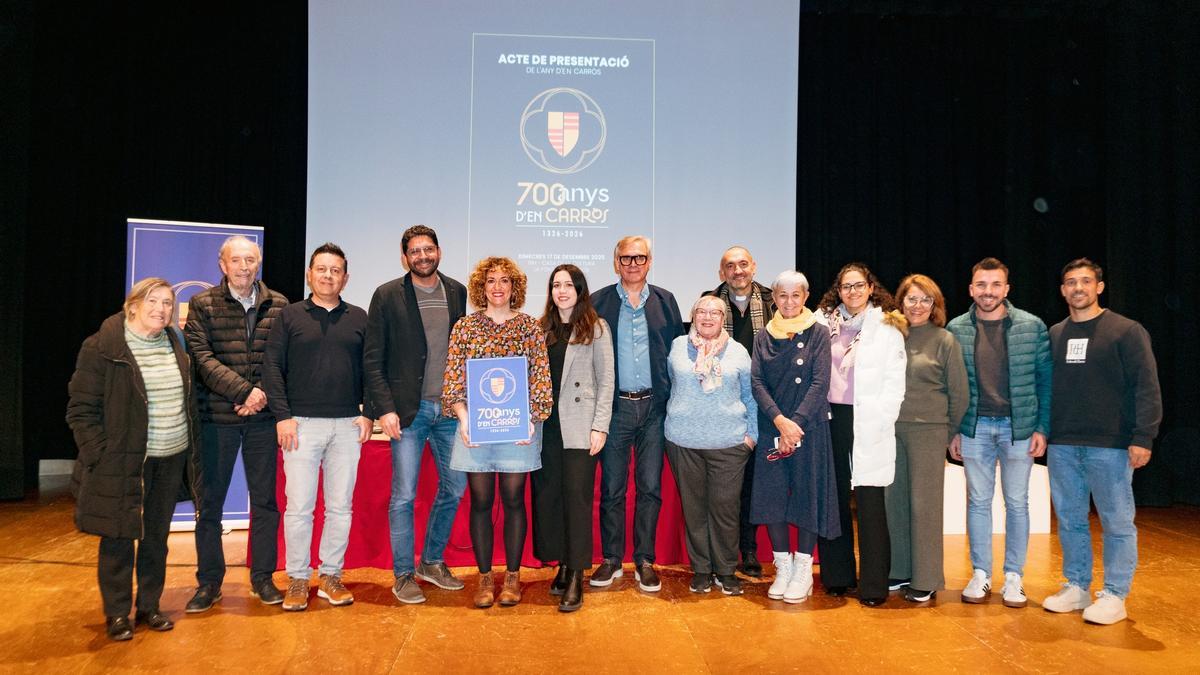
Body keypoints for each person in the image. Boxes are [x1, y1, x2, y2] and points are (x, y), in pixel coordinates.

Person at [66, 278, 201, 641]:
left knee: (156, 537)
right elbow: (80, 410)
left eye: (168, 303)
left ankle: (149, 606)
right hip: (123, 461)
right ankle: (117, 613)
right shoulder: (103, 347)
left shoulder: (174, 343)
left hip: (169, 457)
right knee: (118, 538)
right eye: (153, 301)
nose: (161, 309)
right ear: (133, 305)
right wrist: (101, 453)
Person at [1042, 258, 1161, 625]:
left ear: (1099, 287)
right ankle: (1077, 586)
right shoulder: (1055, 333)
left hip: (1110, 446)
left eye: (1086, 281)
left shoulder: (1126, 331)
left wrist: (1143, 436)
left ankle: (1114, 594)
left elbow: (1146, 386)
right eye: (1071, 282)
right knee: (1070, 519)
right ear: (1062, 290)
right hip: (1063, 445)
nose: (1078, 288)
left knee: (1117, 522)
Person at [363, 225, 469, 605]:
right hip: (408, 411)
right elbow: (373, 358)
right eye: (415, 251)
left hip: (449, 410)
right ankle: (404, 573)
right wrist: (384, 409)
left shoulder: (457, 291)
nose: (422, 256)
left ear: (439, 251)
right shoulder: (387, 295)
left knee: (456, 487)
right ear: (405, 256)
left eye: (428, 249)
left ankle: (432, 561)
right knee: (404, 496)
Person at [262, 243, 371, 611]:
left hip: (346, 426)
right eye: (321, 269)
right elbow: (272, 367)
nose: (328, 275)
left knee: (340, 507)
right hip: (300, 426)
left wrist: (367, 412)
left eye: (335, 270)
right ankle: (297, 578)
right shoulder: (289, 316)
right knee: (299, 508)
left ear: (345, 277)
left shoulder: (359, 317)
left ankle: (330, 575)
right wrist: (282, 415)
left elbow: (372, 370)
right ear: (310, 274)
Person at [184, 235, 288, 611]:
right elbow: (201, 357)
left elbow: (281, 361)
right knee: (209, 504)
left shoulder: (279, 304)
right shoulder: (202, 304)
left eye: (250, 260)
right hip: (216, 419)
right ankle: (209, 583)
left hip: (262, 420)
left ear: (257, 263)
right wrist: (244, 391)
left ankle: (263, 578)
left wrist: (259, 395)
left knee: (265, 502)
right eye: (237, 260)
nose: (244, 266)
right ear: (222, 264)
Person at [443, 256, 553, 608]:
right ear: (481, 287)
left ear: (514, 287)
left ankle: (513, 577)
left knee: (513, 499)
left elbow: (539, 377)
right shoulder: (465, 327)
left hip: (517, 431)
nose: (498, 287)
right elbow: (454, 377)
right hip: (476, 429)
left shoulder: (529, 327)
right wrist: (462, 417)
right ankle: (485, 577)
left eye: (505, 281)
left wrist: (532, 421)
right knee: (480, 501)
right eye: (491, 281)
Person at [946, 257, 1051, 609]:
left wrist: (1042, 427)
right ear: (971, 289)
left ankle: (1014, 577)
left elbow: (1045, 382)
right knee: (977, 502)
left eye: (995, 285)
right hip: (975, 428)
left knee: (1017, 503)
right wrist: (955, 430)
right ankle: (980, 573)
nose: (987, 292)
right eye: (981, 285)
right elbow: (952, 386)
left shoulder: (1032, 326)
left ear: (1006, 289)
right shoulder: (956, 328)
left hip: (1018, 429)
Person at [590, 236, 685, 591]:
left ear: (649, 262)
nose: (632, 264)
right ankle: (612, 560)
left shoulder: (666, 301)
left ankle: (644, 559)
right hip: (614, 409)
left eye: (639, 258)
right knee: (612, 490)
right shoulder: (597, 301)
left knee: (650, 488)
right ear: (616, 262)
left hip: (654, 410)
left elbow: (677, 351)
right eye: (626, 258)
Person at [814, 262, 907, 606]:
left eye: (858, 286)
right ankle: (837, 577)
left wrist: (882, 418)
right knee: (833, 499)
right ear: (837, 291)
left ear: (870, 288)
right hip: (830, 418)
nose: (851, 292)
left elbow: (895, 382)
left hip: (868, 419)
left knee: (869, 502)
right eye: (845, 287)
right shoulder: (822, 323)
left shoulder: (887, 327)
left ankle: (873, 585)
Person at [750, 270, 840, 603]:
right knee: (772, 498)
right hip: (772, 426)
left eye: (795, 295)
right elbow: (756, 382)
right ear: (774, 298)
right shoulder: (763, 336)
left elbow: (820, 382)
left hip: (809, 428)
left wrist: (795, 424)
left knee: (808, 495)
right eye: (782, 295)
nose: (789, 301)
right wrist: (779, 422)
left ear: (805, 297)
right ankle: (782, 567)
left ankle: (803, 569)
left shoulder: (818, 333)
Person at [532, 264, 615, 612]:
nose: (562, 290)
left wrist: (601, 426)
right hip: (546, 428)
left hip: (581, 426)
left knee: (577, 501)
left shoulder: (595, 327)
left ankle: (577, 575)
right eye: (556, 285)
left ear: (580, 290)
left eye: (569, 285)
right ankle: (563, 564)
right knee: (550, 499)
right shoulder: (540, 329)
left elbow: (607, 379)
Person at [664, 295, 758, 595]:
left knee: (725, 510)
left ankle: (727, 570)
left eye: (714, 312)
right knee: (694, 510)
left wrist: (751, 436)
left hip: (729, 443)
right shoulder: (678, 346)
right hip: (683, 441)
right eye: (701, 312)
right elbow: (670, 384)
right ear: (693, 315)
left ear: (723, 318)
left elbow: (750, 395)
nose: (707, 317)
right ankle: (702, 569)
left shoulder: (739, 352)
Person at [886, 274, 968, 603]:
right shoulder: (890, 336)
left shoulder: (944, 340)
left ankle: (926, 577)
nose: (918, 306)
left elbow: (959, 394)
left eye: (925, 300)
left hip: (929, 431)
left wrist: (945, 433)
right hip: (891, 429)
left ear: (934, 305)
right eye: (911, 299)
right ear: (900, 302)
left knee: (925, 506)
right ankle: (899, 569)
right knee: (895, 503)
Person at [706, 246, 777, 577]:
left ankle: (749, 549)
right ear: (722, 273)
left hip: (766, 403)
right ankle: (722, 550)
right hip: (724, 406)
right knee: (726, 484)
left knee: (754, 481)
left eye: (743, 264)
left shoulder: (773, 301)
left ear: (754, 267)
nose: (737, 271)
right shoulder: (710, 304)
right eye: (730, 266)